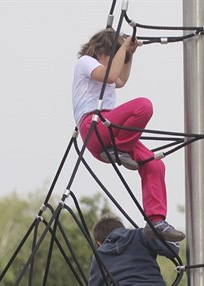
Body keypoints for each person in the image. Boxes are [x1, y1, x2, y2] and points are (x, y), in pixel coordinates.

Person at [72, 28, 184, 242]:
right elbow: (112, 76)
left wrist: (129, 55)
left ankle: (156, 220)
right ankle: (119, 149)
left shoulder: (107, 68)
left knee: (154, 164)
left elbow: (120, 80)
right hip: (94, 126)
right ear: (102, 52)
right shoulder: (86, 62)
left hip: (110, 131)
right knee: (143, 106)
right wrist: (123, 47)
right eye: (115, 56)